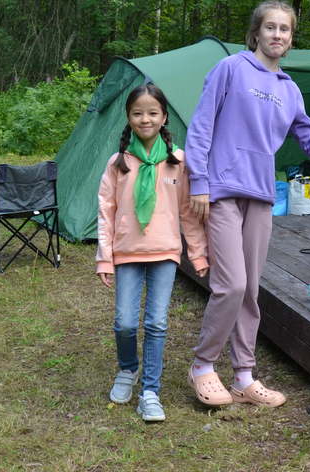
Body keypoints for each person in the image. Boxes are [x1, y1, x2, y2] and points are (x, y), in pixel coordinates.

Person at [185, 0, 310, 408]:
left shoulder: (289, 90)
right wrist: (198, 182)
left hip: (262, 196)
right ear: (256, 32)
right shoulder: (231, 69)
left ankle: (244, 377)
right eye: (270, 27)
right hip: (221, 191)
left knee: (251, 289)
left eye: (284, 30)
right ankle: (202, 365)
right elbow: (200, 127)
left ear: (290, 40)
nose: (277, 35)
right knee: (230, 284)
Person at [96, 84, 209, 423]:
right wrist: (104, 256)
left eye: (152, 113)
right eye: (137, 113)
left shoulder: (177, 160)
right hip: (126, 252)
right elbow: (106, 211)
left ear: (163, 118)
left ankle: (150, 391)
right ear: (129, 118)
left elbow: (189, 213)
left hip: (165, 253)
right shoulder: (118, 163)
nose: (145, 119)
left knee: (156, 323)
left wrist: (199, 254)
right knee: (126, 323)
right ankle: (127, 369)